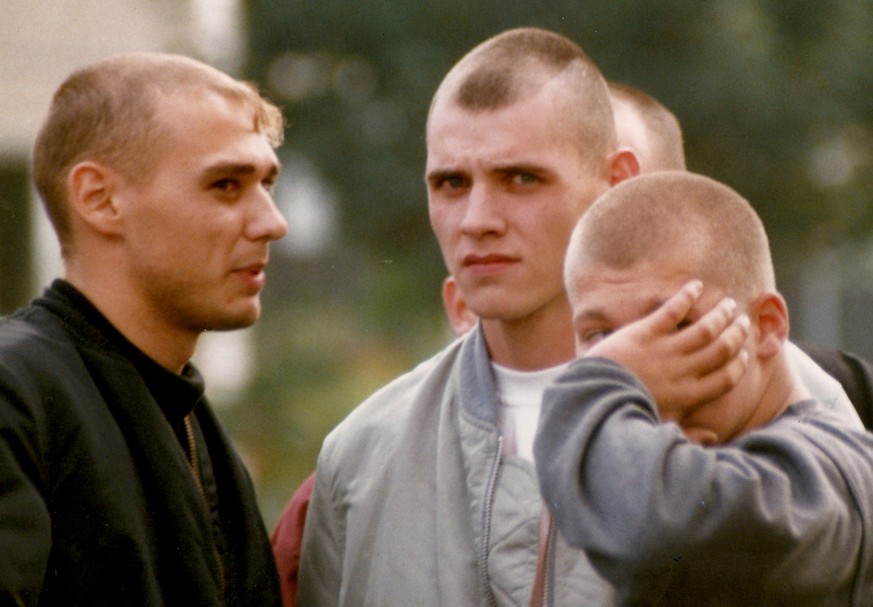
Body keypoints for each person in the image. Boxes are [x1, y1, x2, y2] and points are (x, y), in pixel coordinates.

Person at [294, 28, 865, 607]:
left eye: (522, 178)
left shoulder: (782, 405)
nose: (477, 219)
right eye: (450, 183)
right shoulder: (364, 451)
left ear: (615, 180)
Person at [1, 53, 288, 605]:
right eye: (227, 185)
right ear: (100, 199)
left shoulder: (192, 422)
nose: (273, 222)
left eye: (267, 184)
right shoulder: (16, 394)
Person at [535, 171, 873, 605]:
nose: (642, 366)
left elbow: (657, 524)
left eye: (677, 325)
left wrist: (594, 389)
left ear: (767, 326)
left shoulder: (835, 478)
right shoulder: (644, 469)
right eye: (604, 338)